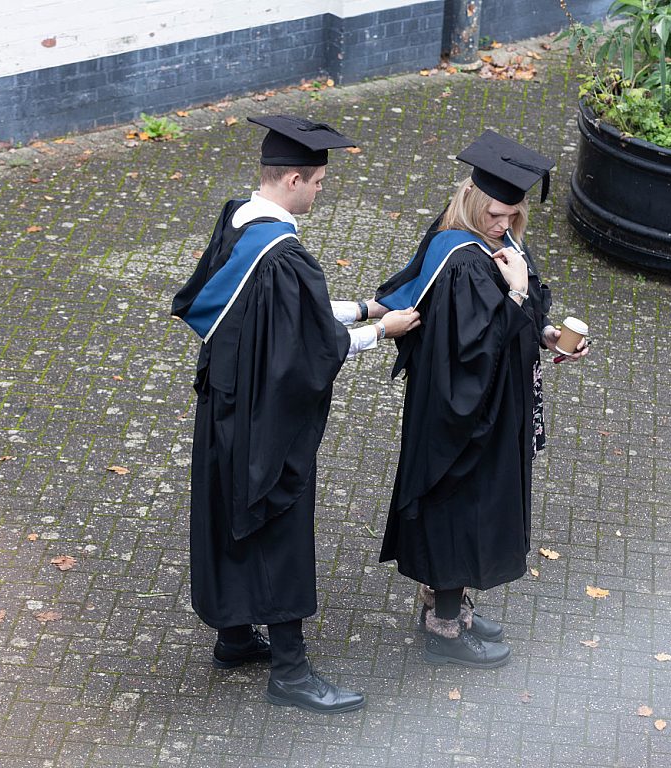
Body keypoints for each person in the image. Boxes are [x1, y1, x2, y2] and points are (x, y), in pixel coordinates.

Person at [171, 115, 419, 713]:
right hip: (266, 419)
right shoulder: (285, 255)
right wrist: (378, 330)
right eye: (319, 183)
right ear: (294, 179)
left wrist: (360, 304)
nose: (320, 192)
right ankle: (290, 671)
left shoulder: (238, 220)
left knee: (232, 511)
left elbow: (280, 312)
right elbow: (305, 346)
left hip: (226, 407)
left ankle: (233, 635)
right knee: (275, 521)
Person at [375, 130, 589, 668]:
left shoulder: (497, 245)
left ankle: (455, 606)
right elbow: (476, 352)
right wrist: (516, 295)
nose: (505, 224)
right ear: (472, 200)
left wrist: (545, 336)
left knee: (470, 509)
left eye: (514, 216)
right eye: (497, 214)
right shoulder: (466, 260)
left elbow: (510, 329)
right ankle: (443, 630)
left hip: (488, 406)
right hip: (463, 414)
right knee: (459, 508)